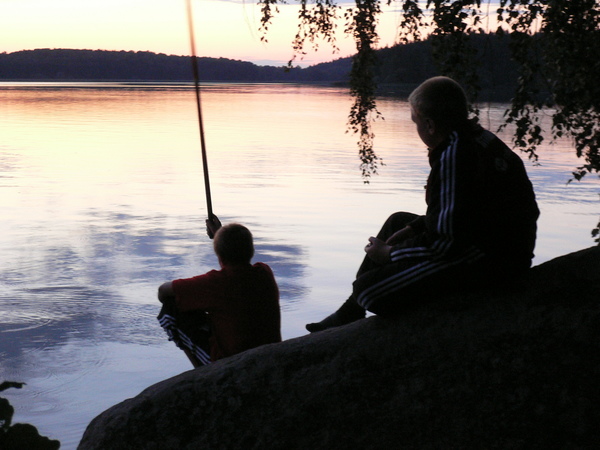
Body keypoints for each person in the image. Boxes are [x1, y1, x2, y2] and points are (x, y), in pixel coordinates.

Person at [306, 76, 539, 332]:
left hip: (490, 261)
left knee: (367, 292)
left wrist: (390, 253)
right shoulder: (476, 138)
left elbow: (447, 244)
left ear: (429, 125)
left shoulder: (455, 155)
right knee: (398, 222)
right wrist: (415, 228)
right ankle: (351, 310)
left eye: (415, 122)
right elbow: (465, 211)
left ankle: (358, 302)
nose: (415, 128)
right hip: (488, 242)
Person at [158, 223, 281, 367]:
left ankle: (203, 373)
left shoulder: (216, 283)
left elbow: (163, 291)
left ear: (219, 253)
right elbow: (236, 264)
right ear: (252, 250)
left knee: (171, 308)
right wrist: (219, 234)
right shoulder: (264, 272)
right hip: (270, 355)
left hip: (233, 364)